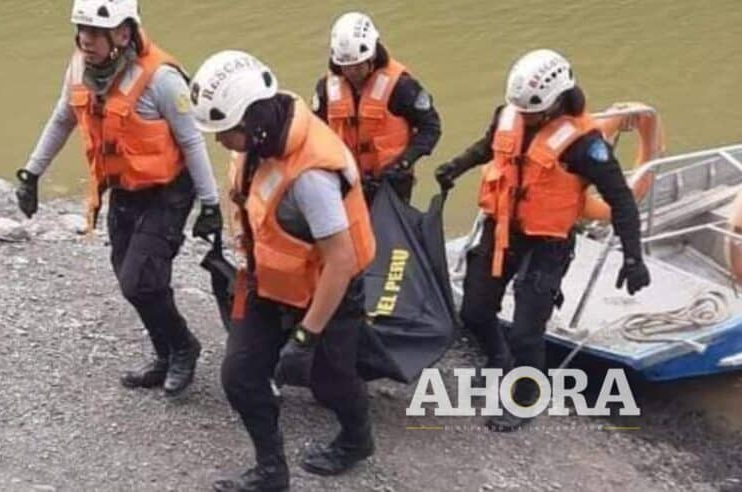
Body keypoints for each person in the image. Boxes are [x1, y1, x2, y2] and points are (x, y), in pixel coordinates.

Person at [434, 49, 651, 431]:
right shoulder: (510, 114)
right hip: (502, 229)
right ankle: (500, 359)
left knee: (526, 331)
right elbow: (489, 145)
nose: (525, 117)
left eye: (533, 112)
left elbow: (620, 199)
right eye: (521, 110)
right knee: (473, 312)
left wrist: (632, 257)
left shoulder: (585, 144)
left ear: (556, 101)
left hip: (548, 243)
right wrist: (456, 166)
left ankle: (525, 397)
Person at [190, 50, 377, 491]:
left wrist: (306, 335)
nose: (220, 143)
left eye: (225, 133)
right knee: (239, 376)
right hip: (267, 280)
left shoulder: (312, 176)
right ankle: (272, 470)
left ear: (253, 123)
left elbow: (341, 260)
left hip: (324, 291)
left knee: (330, 381)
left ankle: (357, 438)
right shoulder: (261, 141)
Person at [15, 0, 222, 398]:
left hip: (168, 192)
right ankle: (165, 354)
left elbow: (192, 141)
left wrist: (210, 204)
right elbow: (63, 119)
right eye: (81, 30)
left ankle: (183, 348)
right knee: (131, 276)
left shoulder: (162, 79)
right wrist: (32, 173)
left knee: (138, 280)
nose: (84, 40)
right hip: (123, 190)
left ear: (124, 34)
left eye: (94, 32)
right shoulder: (78, 69)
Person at [312, 12, 442, 204]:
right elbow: (315, 133)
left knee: (389, 232)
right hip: (345, 182)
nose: (351, 72)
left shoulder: (402, 87)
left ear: (372, 56)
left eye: (357, 66)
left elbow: (430, 128)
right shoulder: (326, 89)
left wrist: (404, 162)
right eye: (346, 67)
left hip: (391, 182)